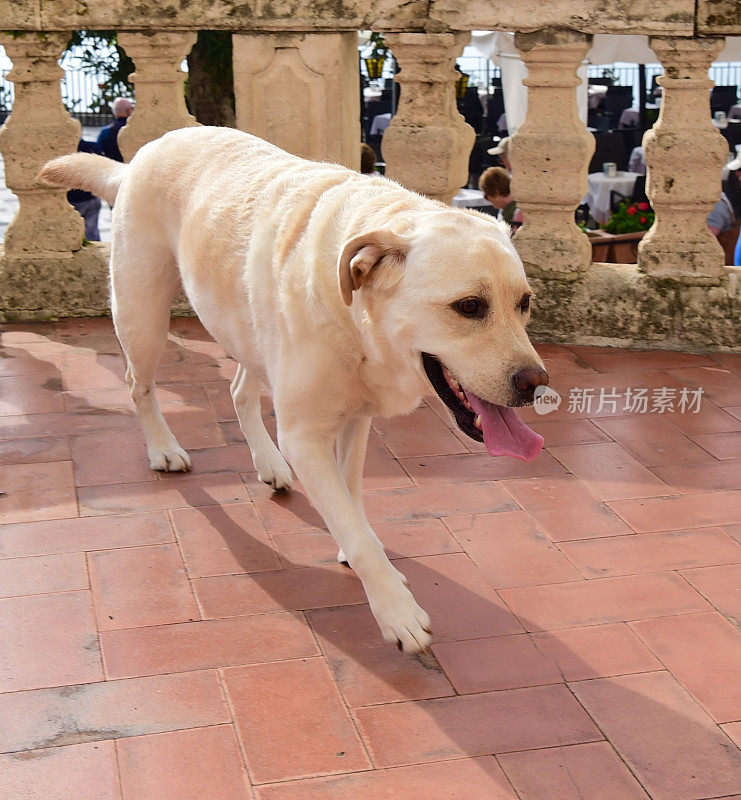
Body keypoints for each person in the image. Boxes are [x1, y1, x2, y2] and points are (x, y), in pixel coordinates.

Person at [68, 138, 102, 241]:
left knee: (73, 233)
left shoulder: (66, 151)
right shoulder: (92, 147)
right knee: (91, 231)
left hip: (73, 199)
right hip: (92, 197)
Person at [479, 166, 523, 230]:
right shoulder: (512, 207)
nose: (487, 199)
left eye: (486, 196)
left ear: (496, 192)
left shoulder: (512, 214)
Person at [97, 97, 133, 162]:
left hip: (112, 168)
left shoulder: (106, 131)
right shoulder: (136, 130)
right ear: (129, 111)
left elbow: (98, 152)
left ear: (114, 111)